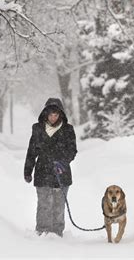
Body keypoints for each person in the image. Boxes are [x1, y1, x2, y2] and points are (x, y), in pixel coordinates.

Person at [24, 98, 77, 237]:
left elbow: (72, 150)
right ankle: (42, 232)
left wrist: (63, 161)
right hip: (42, 171)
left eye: (56, 115)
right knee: (44, 204)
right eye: (51, 115)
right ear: (46, 113)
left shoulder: (68, 129)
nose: (53, 118)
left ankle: (57, 233)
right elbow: (31, 152)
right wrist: (27, 171)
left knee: (58, 205)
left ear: (60, 114)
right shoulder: (37, 129)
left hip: (61, 173)